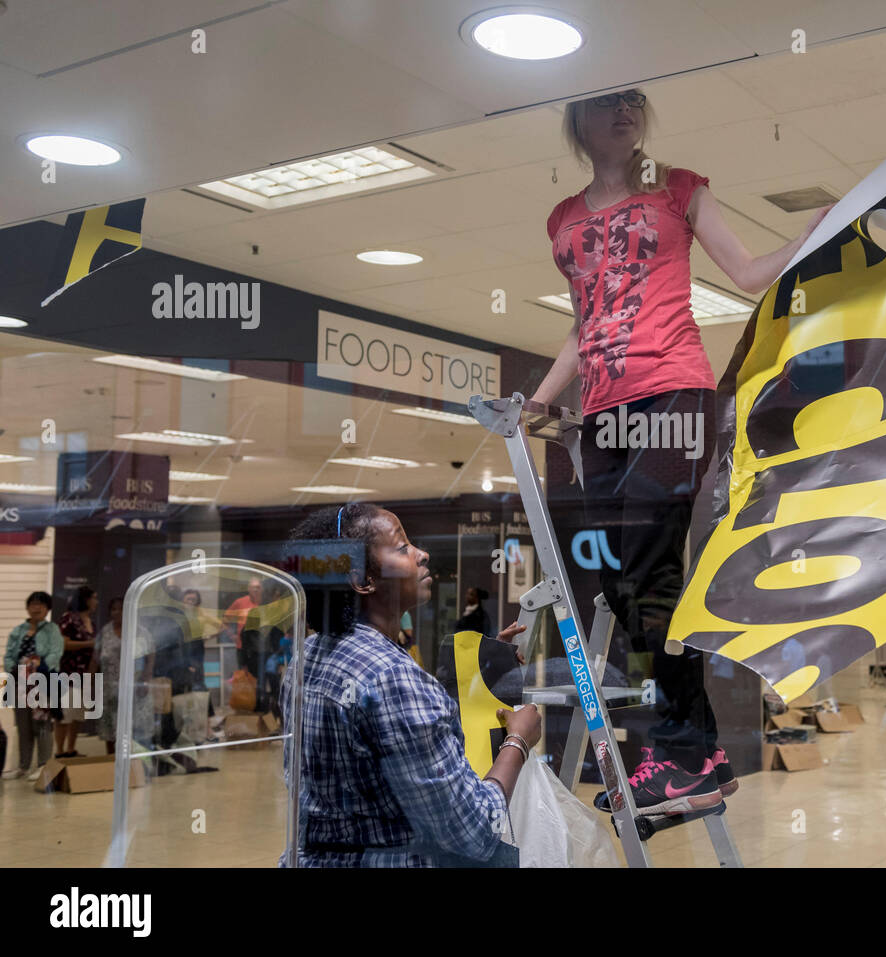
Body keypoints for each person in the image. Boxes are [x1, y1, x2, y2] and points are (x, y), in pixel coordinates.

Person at [529, 88, 828, 815]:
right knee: (623, 584)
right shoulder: (564, 221)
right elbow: (583, 324)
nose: (626, 110)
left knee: (648, 569)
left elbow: (749, 274)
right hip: (598, 414)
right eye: (609, 101)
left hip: (672, 394)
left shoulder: (679, 188)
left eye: (635, 99)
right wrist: (539, 400)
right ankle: (702, 757)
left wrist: (816, 234)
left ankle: (679, 751)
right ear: (580, 121)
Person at [281, 502, 541, 867]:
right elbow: (475, 831)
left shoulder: (305, 656)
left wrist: (488, 669)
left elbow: (390, 733)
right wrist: (518, 741)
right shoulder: (393, 677)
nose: (423, 554)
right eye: (402, 548)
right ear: (363, 580)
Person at [3, 592, 61, 780]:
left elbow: (55, 653)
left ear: (47, 608)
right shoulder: (19, 630)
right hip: (19, 682)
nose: (36, 608)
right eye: (33, 604)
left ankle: (44, 765)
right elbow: (9, 655)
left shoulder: (52, 629)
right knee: (23, 725)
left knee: (42, 724)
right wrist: (14, 669)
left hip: (41, 681)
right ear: (28, 607)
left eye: (41, 604)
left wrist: (39, 669)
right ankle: (23, 766)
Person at [89, 597, 156, 755]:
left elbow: (151, 657)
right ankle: (112, 763)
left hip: (135, 688)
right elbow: (95, 659)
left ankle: (136, 766)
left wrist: (145, 680)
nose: (118, 612)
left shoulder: (141, 632)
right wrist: (89, 685)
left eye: (122, 608)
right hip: (109, 689)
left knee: (136, 728)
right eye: (114, 609)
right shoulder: (105, 632)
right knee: (111, 730)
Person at [55, 586, 97, 758]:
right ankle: (60, 751)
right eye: (94, 597)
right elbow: (62, 644)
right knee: (65, 714)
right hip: (68, 673)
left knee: (78, 714)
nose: (96, 601)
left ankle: (71, 748)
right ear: (85, 599)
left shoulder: (91, 622)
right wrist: (88, 644)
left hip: (85, 674)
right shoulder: (69, 618)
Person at [222, 575, 263, 662]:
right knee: (244, 674)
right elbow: (225, 619)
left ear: (262, 589)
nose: (255, 590)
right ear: (248, 589)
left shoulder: (266, 603)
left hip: (261, 647)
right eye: (253, 587)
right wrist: (232, 636)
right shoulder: (240, 602)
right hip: (242, 646)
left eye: (258, 587)